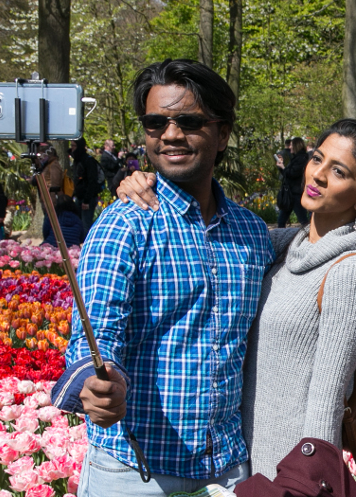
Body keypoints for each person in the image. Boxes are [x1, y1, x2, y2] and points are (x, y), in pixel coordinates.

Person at [115, 118, 356, 484]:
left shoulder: (348, 273)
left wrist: (300, 483)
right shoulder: (283, 245)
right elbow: (215, 232)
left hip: (284, 472)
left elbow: (328, 399)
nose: (318, 175)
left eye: (338, 171)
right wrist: (149, 183)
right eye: (317, 159)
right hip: (235, 462)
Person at [63, 59, 274, 497]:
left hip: (229, 469)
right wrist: (98, 383)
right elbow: (96, 331)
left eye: (189, 122)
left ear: (223, 134)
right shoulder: (127, 223)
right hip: (135, 472)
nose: (171, 135)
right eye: (156, 123)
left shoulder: (252, 232)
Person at [69, 137, 101, 239]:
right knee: (78, 223)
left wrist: (87, 200)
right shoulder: (77, 160)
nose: (72, 148)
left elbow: (92, 181)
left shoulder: (88, 161)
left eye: (74, 146)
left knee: (85, 224)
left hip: (87, 198)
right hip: (79, 196)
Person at [275, 136, 309, 228]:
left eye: (291, 145)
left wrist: (283, 167)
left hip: (296, 193)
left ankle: (309, 237)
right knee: (281, 220)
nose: (290, 147)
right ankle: (281, 239)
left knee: (303, 220)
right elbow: (287, 174)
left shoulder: (302, 158)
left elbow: (293, 174)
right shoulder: (296, 158)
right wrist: (281, 167)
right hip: (290, 193)